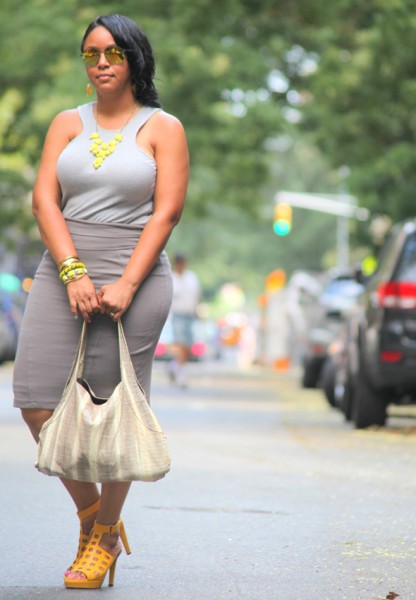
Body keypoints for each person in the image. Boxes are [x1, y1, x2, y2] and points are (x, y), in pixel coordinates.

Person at [12, 14, 189, 589]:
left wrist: (127, 285)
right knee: (37, 400)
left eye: (114, 52)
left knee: (112, 409)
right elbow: (45, 200)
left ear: (136, 59)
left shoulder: (163, 127)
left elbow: (166, 212)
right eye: (92, 54)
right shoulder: (67, 123)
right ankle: (95, 519)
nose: (103, 62)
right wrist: (71, 272)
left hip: (133, 275)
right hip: (65, 267)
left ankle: (104, 536)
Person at [168, 254, 200, 387]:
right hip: (178, 314)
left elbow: (197, 294)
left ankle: (174, 366)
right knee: (180, 345)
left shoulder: (191, 277)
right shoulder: (172, 278)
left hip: (190, 314)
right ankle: (181, 375)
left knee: (188, 346)